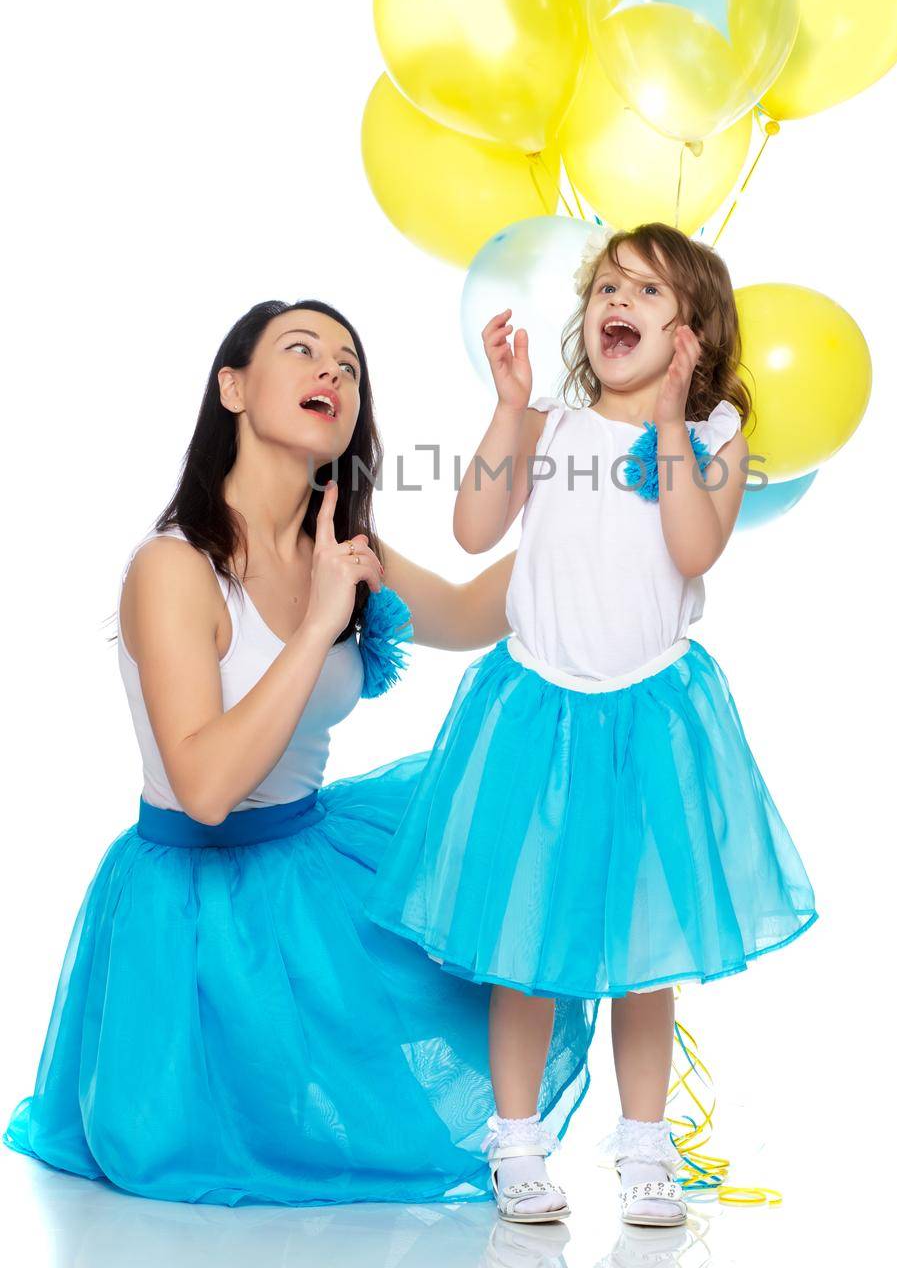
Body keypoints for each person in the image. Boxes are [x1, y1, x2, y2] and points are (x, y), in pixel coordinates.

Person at [3, 298, 596, 1207]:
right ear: (232, 387)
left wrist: (579, 499)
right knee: (215, 1149)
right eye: (303, 351)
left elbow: (480, 612)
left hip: (316, 868)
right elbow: (204, 787)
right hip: (192, 911)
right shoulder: (172, 567)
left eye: (349, 365)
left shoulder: (344, 548)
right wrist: (320, 620)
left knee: (506, 873)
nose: (332, 372)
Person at [364, 225, 818, 1227]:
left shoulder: (709, 439)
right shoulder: (555, 427)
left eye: (648, 293)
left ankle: (643, 1147)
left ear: (691, 332)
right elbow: (475, 529)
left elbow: (692, 548)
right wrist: (508, 408)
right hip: (536, 710)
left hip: (647, 716)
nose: (617, 299)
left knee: (641, 952)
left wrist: (665, 419)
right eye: (607, 284)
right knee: (520, 938)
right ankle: (516, 1141)